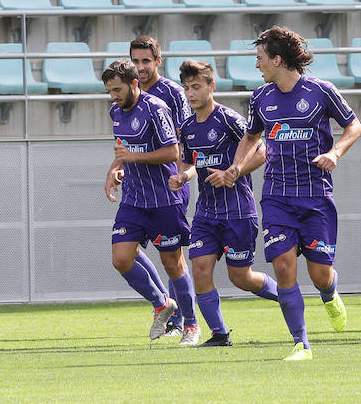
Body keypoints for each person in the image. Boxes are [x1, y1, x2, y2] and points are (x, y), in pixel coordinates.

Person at [226, 27, 361, 360]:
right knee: (284, 267)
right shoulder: (260, 98)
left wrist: (336, 153)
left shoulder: (321, 91)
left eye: (260, 58)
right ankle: (301, 343)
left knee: (319, 275)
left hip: (316, 197)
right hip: (277, 197)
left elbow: (354, 125)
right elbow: (250, 137)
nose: (257, 65)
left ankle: (330, 292)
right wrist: (235, 166)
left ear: (277, 59)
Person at [169, 59, 277, 347]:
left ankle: (286, 297)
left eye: (196, 87)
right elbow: (191, 162)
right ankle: (219, 334)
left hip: (238, 211)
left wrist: (234, 172)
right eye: (186, 88)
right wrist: (183, 176)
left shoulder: (229, 119)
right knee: (200, 268)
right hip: (206, 212)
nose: (191, 93)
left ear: (211, 86)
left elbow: (262, 150)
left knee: (241, 277)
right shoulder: (188, 127)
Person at [102, 59, 199, 344]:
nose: (114, 96)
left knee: (173, 264)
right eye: (110, 91)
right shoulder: (115, 112)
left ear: (134, 84)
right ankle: (161, 304)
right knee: (121, 259)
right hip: (133, 198)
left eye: (117, 89)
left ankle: (191, 326)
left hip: (164, 198)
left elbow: (172, 152)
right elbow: (123, 151)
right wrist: (115, 170)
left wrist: (134, 157)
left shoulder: (156, 109)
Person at [129, 35, 193, 338]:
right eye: (136, 61)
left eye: (146, 61)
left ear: (158, 60)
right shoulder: (128, 92)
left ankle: (180, 321)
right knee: (125, 250)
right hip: (137, 186)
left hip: (170, 183)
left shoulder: (173, 93)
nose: (140, 67)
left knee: (172, 255)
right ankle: (165, 306)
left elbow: (186, 139)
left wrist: (181, 177)